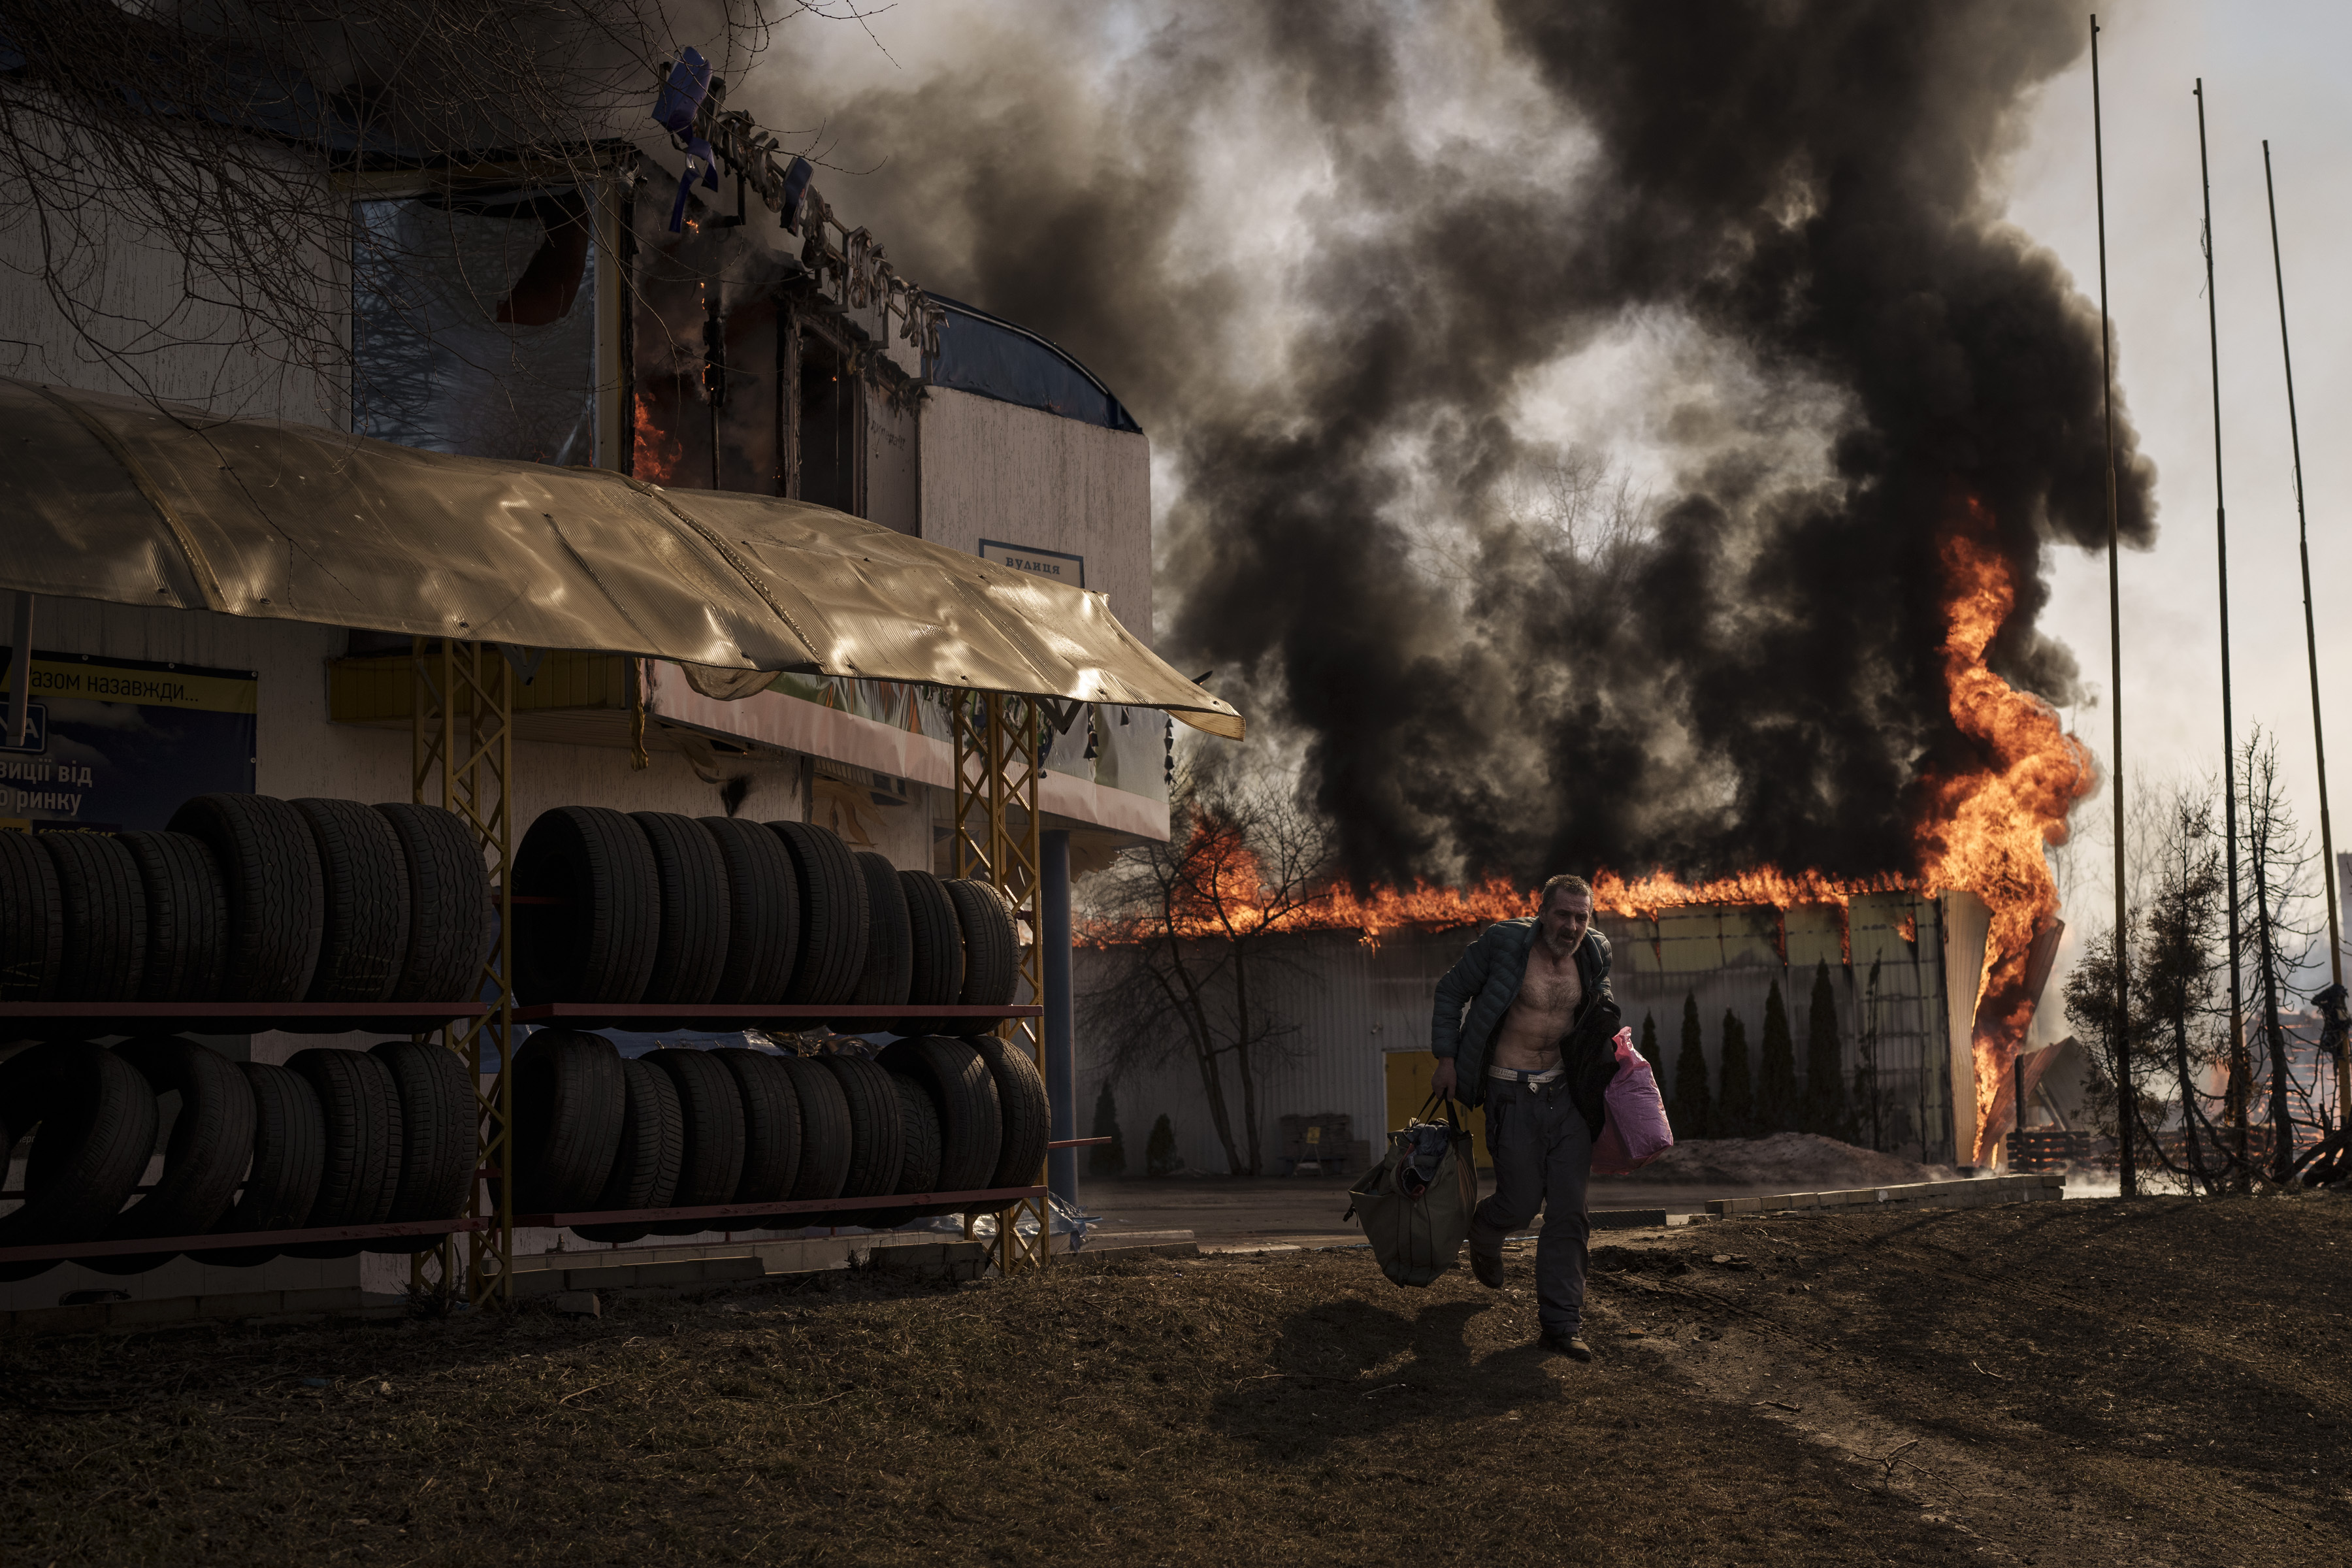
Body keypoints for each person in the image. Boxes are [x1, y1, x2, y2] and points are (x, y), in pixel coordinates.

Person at [1428, 874, 1620, 1360]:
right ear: (1542, 912)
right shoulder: (1503, 944)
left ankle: (1560, 1325)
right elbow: (1450, 993)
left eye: (1582, 916)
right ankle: (1487, 1229)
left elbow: (1600, 1010)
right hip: (1509, 1093)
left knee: (1569, 1211)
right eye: (1563, 914)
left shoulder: (1595, 952)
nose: (1572, 925)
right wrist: (1447, 1060)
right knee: (1519, 1204)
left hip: (1566, 1097)